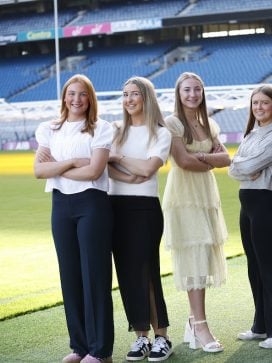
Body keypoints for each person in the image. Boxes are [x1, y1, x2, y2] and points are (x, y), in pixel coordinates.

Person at [33, 74, 114, 363]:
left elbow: (94, 172)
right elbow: (39, 171)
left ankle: (100, 350)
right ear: (64, 97)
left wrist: (55, 167)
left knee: (94, 276)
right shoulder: (48, 129)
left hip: (91, 203)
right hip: (61, 204)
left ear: (90, 98)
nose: (76, 99)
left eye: (82, 94)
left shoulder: (101, 129)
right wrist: (69, 163)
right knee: (70, 276)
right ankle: (79, 346)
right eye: (71, 94)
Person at [162, 72, 229, 353]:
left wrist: (202, 158)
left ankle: (193, 322)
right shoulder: (172, 122)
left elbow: (226, 158)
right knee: (194, 259)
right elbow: (184, 162)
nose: (192, 95)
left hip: (205, 196)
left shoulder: (208, 123)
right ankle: (200, 324)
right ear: (179, 93)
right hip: (184, 198)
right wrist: (207, 158)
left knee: (202, 256)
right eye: (187, 90)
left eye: (197, 90)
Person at [228, 85, 272, 349]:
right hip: (248, 202)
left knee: (269, 269)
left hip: (265, 204)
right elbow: (235, 168)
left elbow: (242, 165)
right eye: (255, 103)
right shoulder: (251, 133)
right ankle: (262, 325)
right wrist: (242, 167)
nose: (259, 107)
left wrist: (243, 167)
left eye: (264, 103)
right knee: (254, 268)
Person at [108, 77, 173, 361]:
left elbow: (149, 169)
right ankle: (141, 337)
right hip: (114, 206)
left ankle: (162, 337)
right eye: (125, 95)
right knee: (126, 274)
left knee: (146, 272)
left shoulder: (160, 132)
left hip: (144, 208)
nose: (129, 99)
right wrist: (130, 174)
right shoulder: (115, 130)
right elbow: (106, 168)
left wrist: (120, 158)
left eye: (135, 94)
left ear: (147, 98)